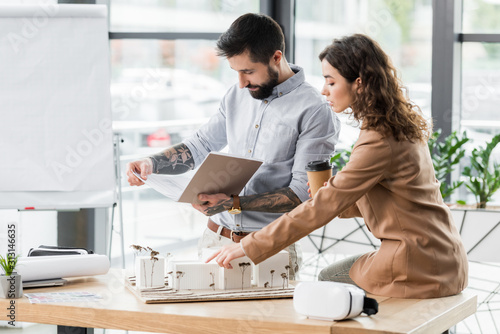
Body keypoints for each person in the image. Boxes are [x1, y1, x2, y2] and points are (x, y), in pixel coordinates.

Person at [208, 34, 469, 299]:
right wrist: (337, 196)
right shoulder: (400, 125)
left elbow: (321, 208)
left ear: (360, 84)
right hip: (444, 254)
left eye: (331, 82)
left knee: (328, 279)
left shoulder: (378, 139)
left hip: (415, 261)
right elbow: (399, 199)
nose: (324, 90)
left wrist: (249, 246)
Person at [126, 13, 340, 279]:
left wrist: (232, 203)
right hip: (214, 241)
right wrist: (151, 163)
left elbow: (301, 194)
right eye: (236, 72)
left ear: (276, 57)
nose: (241, 83)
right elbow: (201, 143)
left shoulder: (315, 110)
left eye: (248, 71)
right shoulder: (237, 94)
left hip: (270, 251)